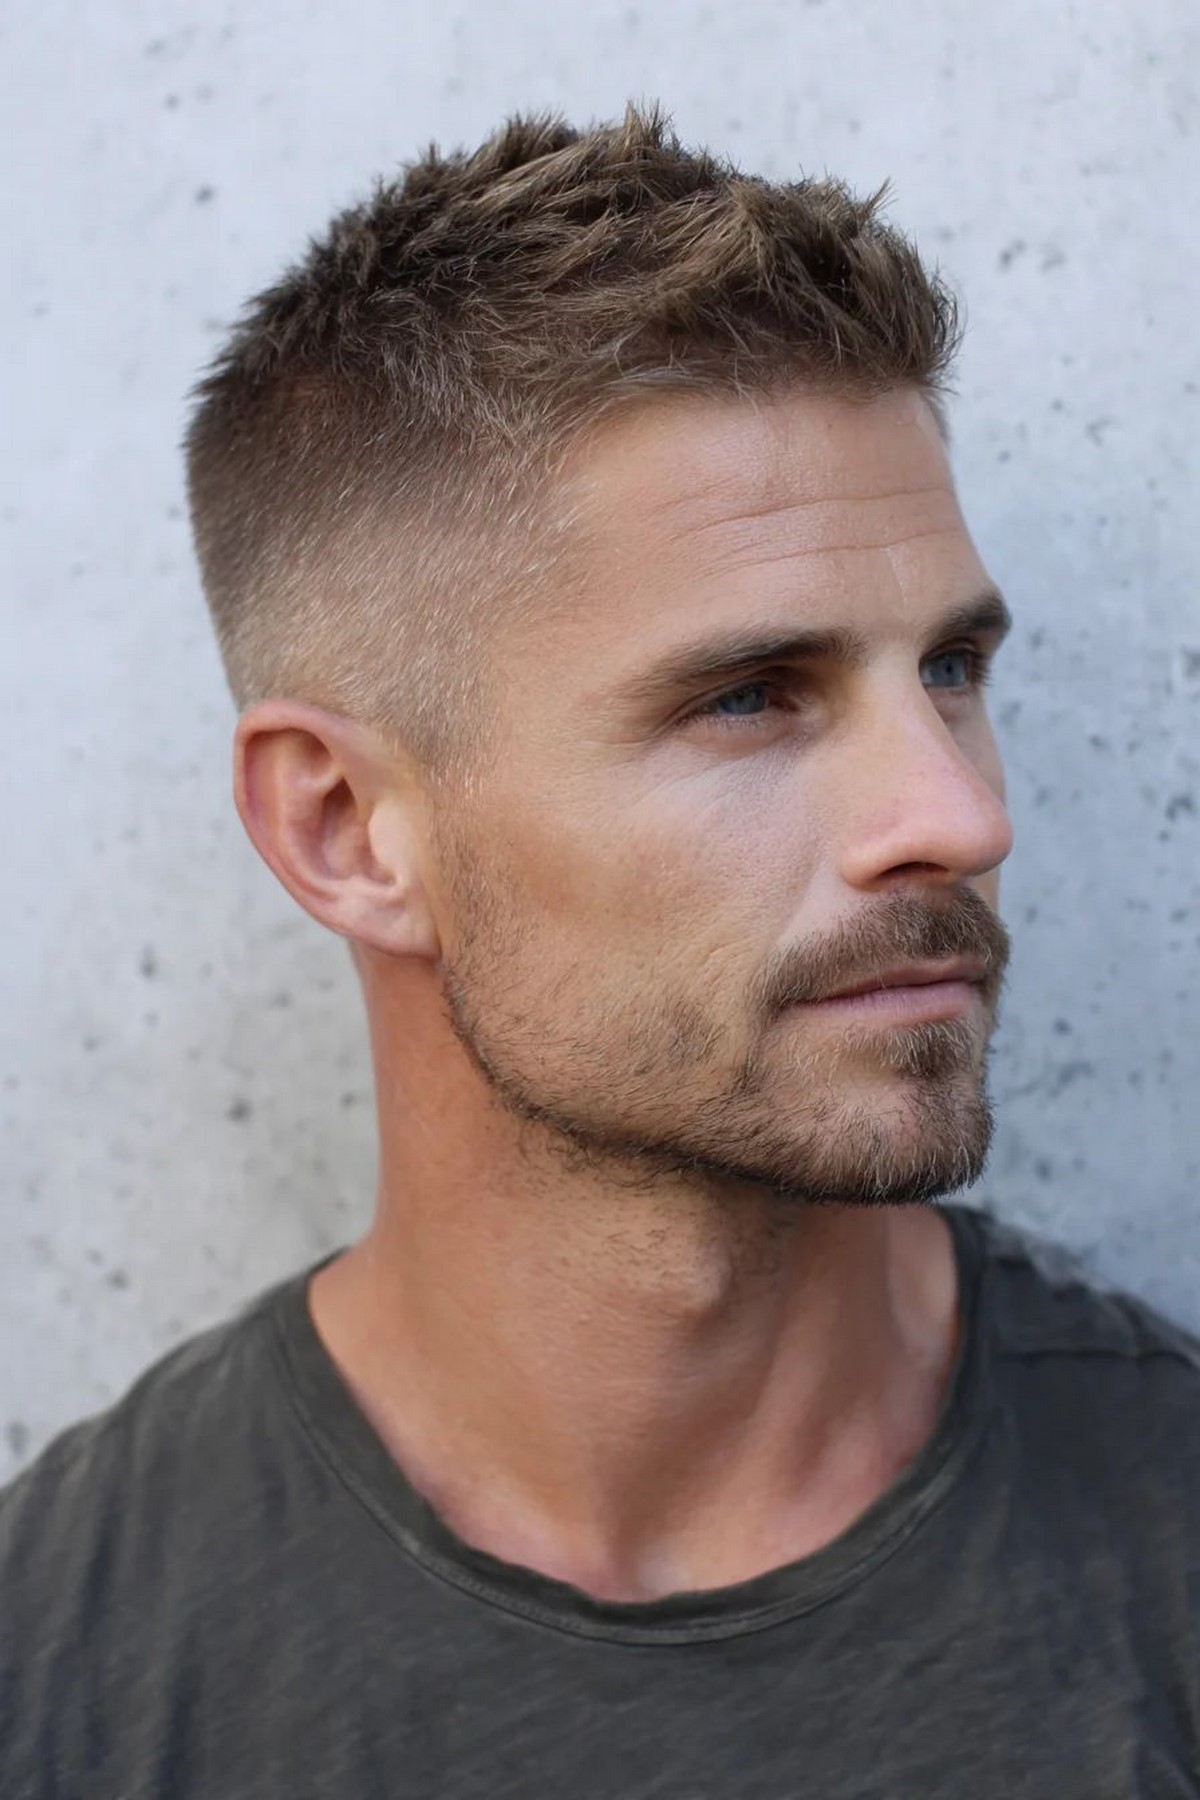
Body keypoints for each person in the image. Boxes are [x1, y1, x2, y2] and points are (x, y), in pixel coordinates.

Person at [2, 102, 1197, 1798]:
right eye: (749, 696)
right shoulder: (63, 1684)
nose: (959, 813)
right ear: (345, 830)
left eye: (950, 670)